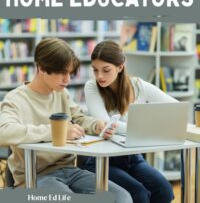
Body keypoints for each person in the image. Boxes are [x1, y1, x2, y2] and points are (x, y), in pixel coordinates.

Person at [0, 38, 133, 203]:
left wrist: (96, 125)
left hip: (70, 171)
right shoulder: (15, 99)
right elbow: (4, 132)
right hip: (36, 177)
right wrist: (58, 131)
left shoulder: (61, 93)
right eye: (62, 73)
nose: (67, 80)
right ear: (41, 68)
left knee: (122, 198)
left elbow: (78, 118)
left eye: (69, 73)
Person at [83, 40, 177, 203]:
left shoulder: (138, 86)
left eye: (106, 70)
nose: (99, 76)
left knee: (164, 190)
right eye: (95, 70)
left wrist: (145, 126)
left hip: (133, 158)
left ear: (120, 66)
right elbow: (106, 123)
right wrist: (147, 128)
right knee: (138, 194)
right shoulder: (91, 87)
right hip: (104, 161)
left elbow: (175, 108)